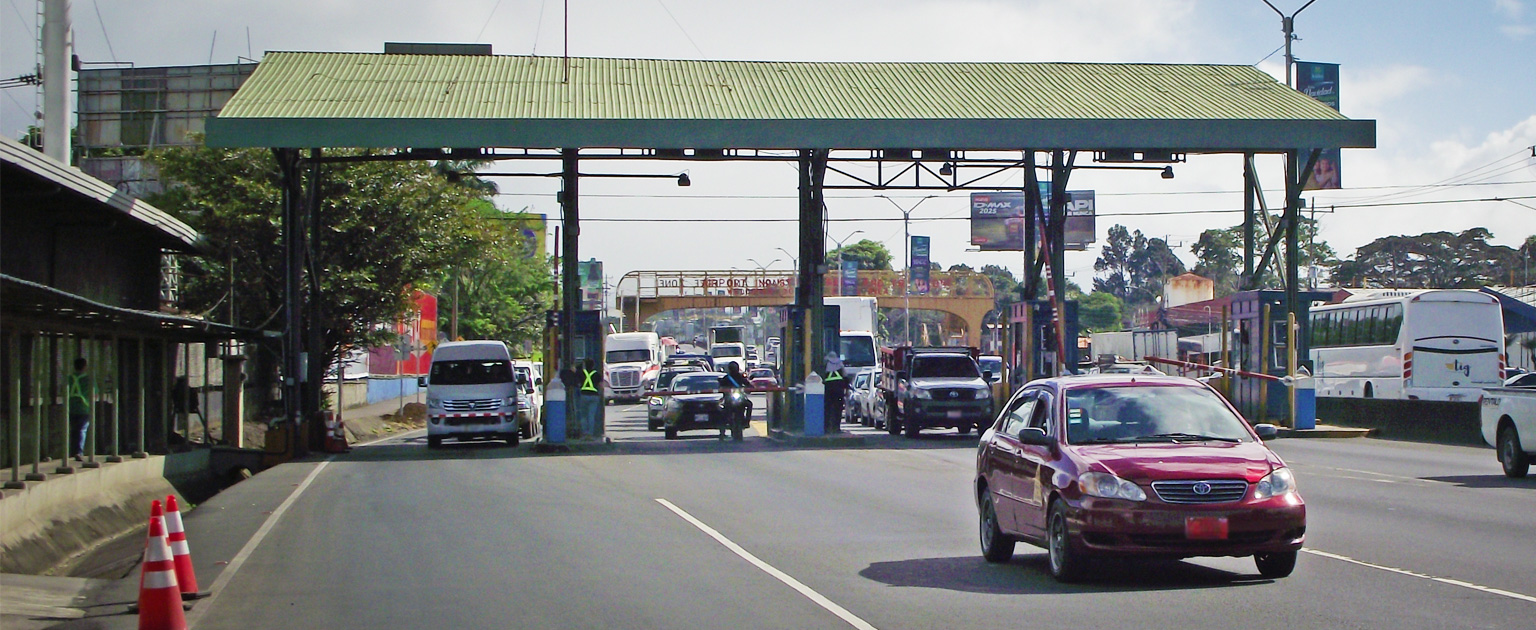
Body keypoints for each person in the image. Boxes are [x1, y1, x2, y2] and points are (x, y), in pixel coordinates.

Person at [66, 358, 92, 460]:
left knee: (73, 430)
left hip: (71, 407)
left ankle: (72, 451)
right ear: (85, 367)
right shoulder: (88, 379)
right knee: (82, 430)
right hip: (84, 408)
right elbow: (94, 392)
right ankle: (78, 452)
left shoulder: (69, 378)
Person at [823, 351, 847, 433]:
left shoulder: (826, 364)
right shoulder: (840, 364)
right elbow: (845, 376)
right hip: (839, 390)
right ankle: (836, 427)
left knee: (827, 409)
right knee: (838, 409)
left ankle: (826, 427)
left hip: (828, 390)